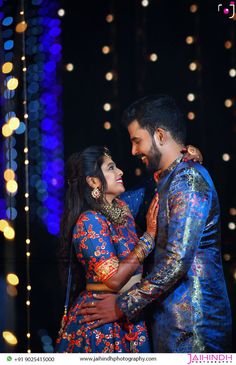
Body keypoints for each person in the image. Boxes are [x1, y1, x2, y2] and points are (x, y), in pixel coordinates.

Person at [77, 95, 232, 353]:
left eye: (137, 141)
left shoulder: (188, 181)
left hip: (194, 331)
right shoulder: (165, 183)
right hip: (169, 324)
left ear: (160, 135)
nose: (133, 151)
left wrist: (122, 305)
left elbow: (177, 260)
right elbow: (117, 203)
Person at [55, 145, 159, 353]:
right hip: (101, 322)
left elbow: (153, 185)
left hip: (126, 311)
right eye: (111, 168)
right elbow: (113, 279)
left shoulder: (122, 208)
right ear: (93, 181)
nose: (120, 172)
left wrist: (184, 159)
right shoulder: (89, 221)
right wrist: (148, 238)